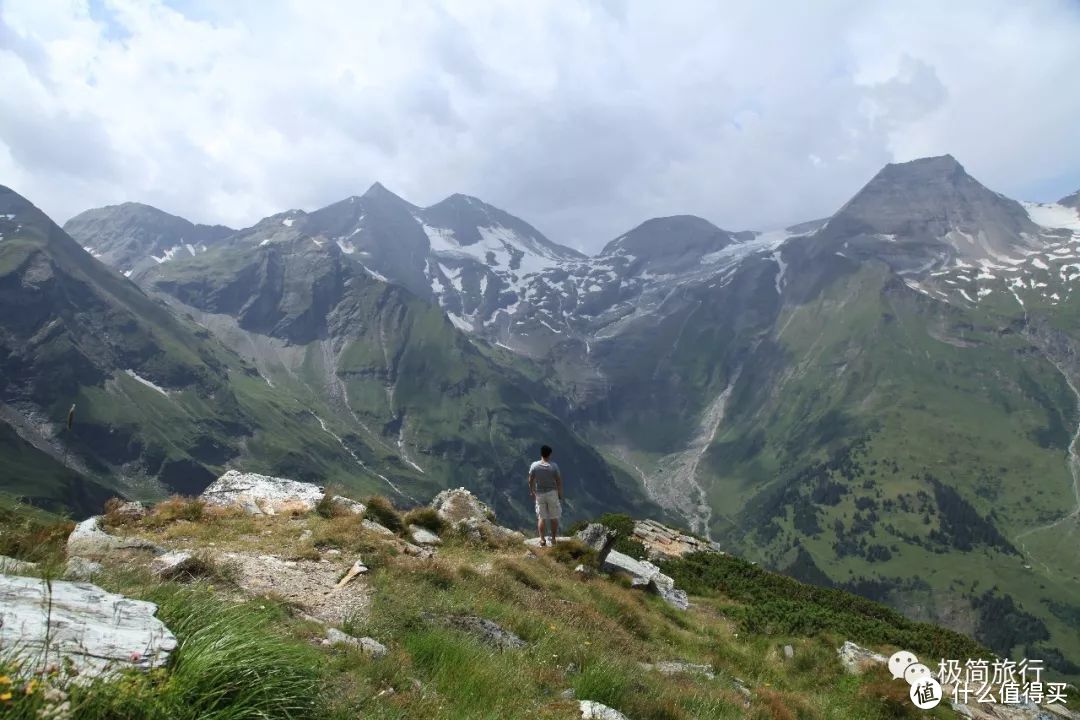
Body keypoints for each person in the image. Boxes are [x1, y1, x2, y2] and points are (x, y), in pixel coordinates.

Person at [529, 445, 563, 546]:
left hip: (539, 493)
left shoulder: (534, 465)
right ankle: (553, 539)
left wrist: (532, 491)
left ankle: (542, 540)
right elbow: (558, 481)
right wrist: (560, 494)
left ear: (541, 453)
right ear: (550, 454)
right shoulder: (554, 466)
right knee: (554, 517)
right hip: (552, 493)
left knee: (541, 517)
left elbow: (530, 479)